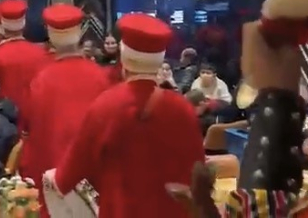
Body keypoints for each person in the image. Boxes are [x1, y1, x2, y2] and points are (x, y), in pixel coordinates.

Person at [45, 13, 205, 218]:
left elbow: (67, 176)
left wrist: (53, 180)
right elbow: (199, 171)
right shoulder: (182, 108)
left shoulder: (106, 106)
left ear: (124, 58)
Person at [26, 4, 109, 216]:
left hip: (55, 168)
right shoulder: (100, 76)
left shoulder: (42, 80)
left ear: (51, 36)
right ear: (79, 33)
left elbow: (36, 131)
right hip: (95, 169)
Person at [0, 0, 49, 132]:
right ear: (24, 25)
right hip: (37, 119)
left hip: (5, 121)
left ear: (2, 25)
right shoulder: (42, 54)